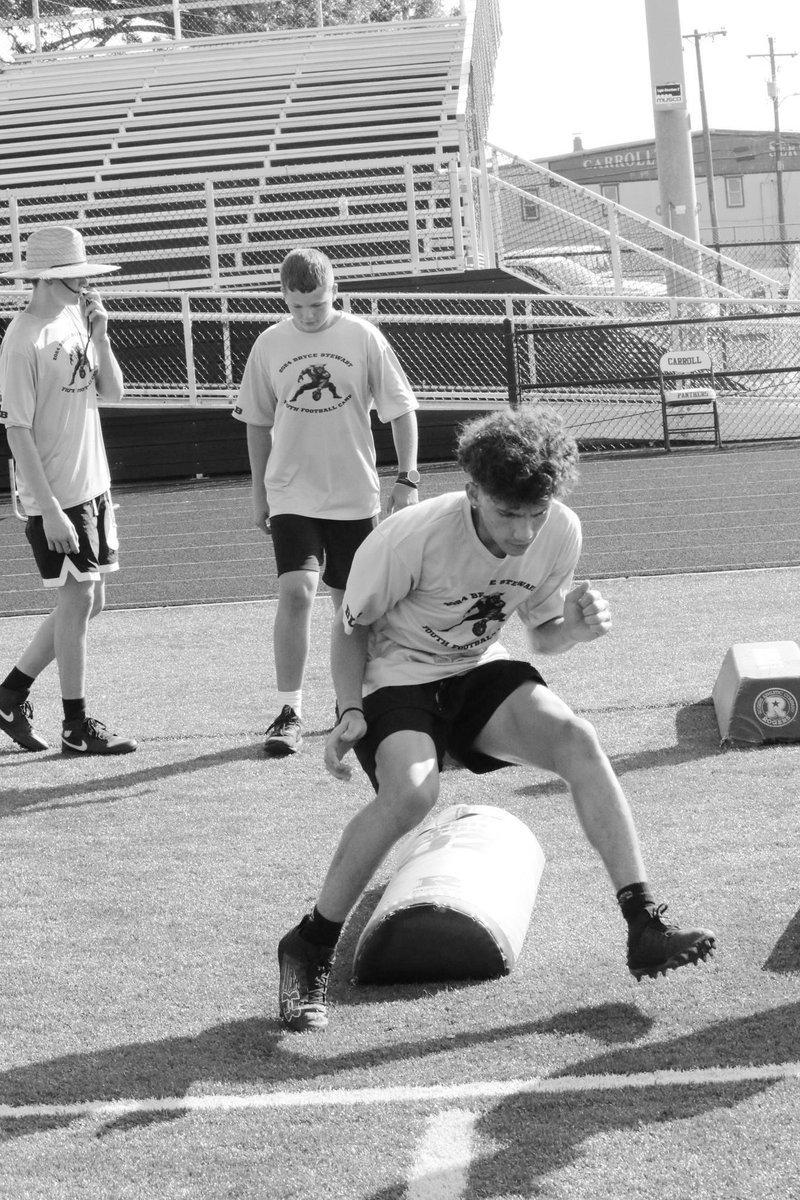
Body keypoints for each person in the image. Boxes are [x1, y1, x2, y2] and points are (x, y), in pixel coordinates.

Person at [277, 407, 716, 1032]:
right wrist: (348, 713)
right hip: (397, 675)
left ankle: (644, 925)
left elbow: (544, 636)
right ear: (473, 491)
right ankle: (310, 944)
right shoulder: (410, 536)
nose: (524, 531)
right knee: (413, 793)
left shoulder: (559, 530)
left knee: (577, 739)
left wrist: (578, 628)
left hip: (478, 666)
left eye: (536, 513)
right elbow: (351, 629)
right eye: (509, 514)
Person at [233, 247, 419, 757]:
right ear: (284, 298)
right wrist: (257, 492)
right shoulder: (270, 343)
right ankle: (289, 711)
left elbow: (402, 408)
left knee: (352, 608)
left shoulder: (362, 336)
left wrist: (408, 477)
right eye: (297, 307)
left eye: (317, 305)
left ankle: (356, 703)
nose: (308, 316)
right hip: (291, 492)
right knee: (296, 593)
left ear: (334, 291)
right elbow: (257, 422)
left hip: (355, 496)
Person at [0, 224, 136, 756]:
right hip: (58, 494)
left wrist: (100, 335)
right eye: (77, 274)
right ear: (54, 276)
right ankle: (75, 726)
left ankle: (10, 694)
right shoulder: (21, 339)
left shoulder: (74, 320)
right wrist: (51, 509)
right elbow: (17, 432)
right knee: (78, 598)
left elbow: (113, 392)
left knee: (90, 602)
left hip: (93, 485)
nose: (86, 282)